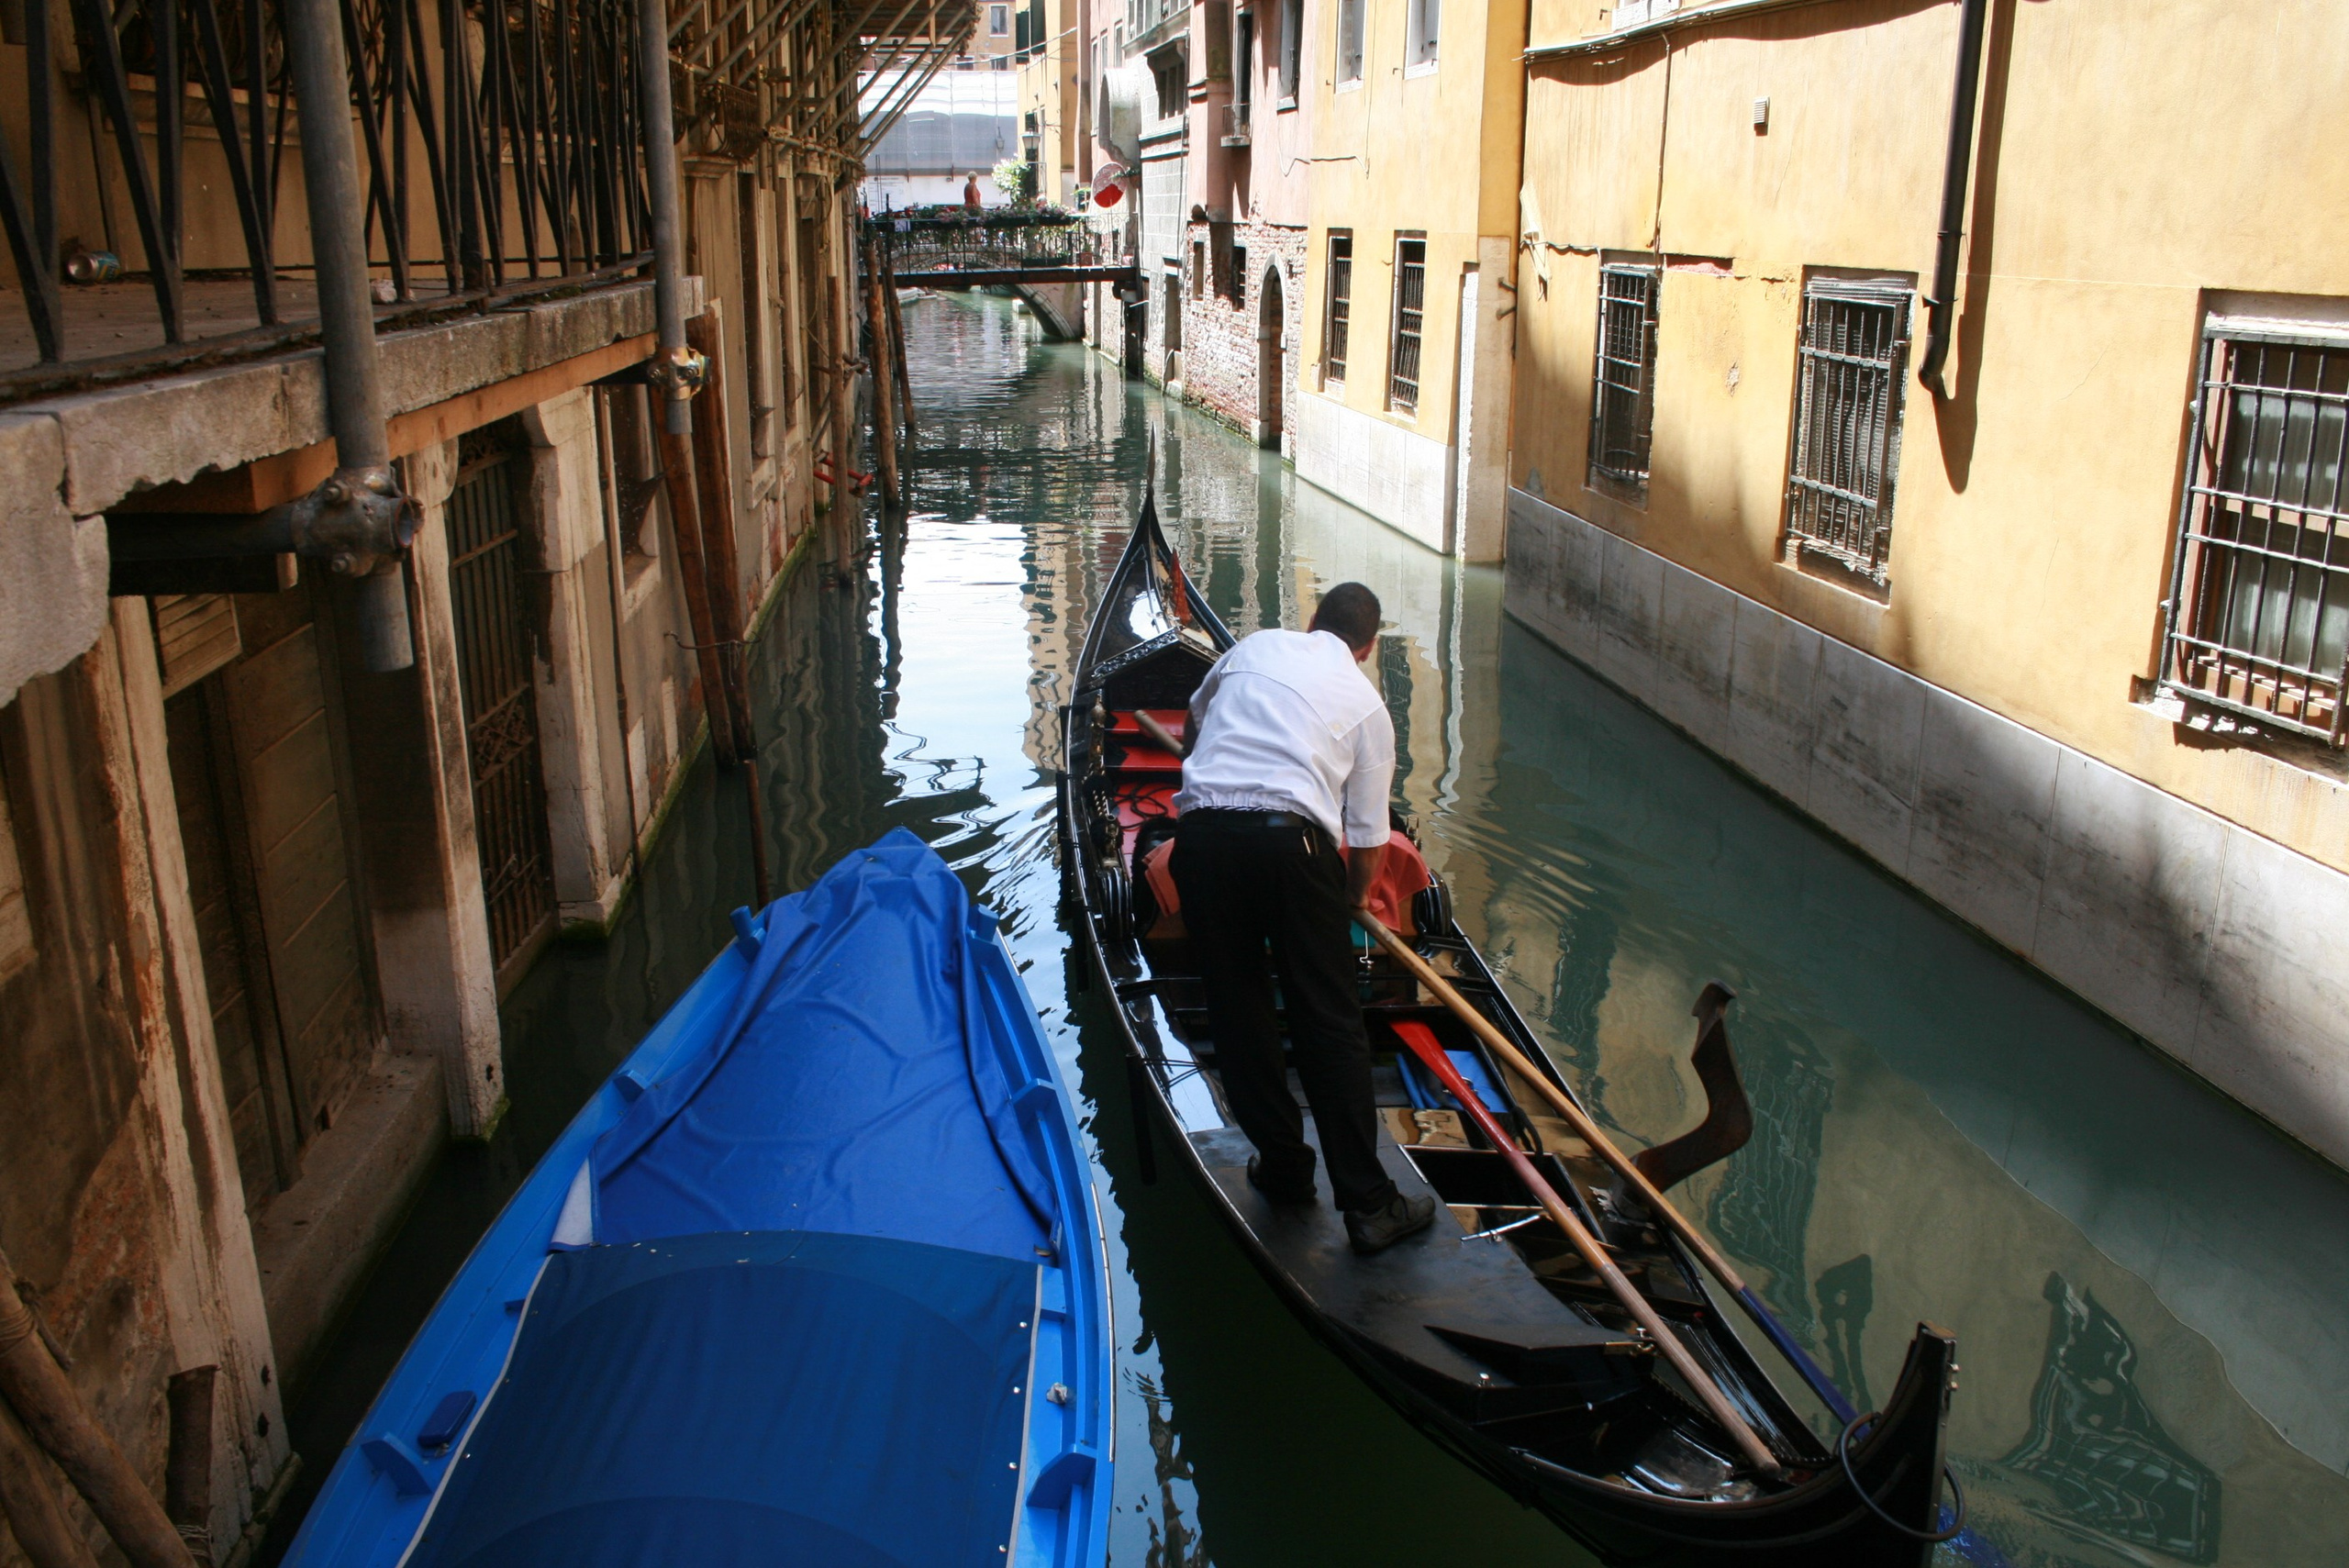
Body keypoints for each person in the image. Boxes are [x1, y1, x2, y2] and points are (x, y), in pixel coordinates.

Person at [1170, 583, 1437, 1255]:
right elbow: (1369, 841)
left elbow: (1193, 732)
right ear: (1369, 648)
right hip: (1292, 845)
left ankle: (1286, 1168)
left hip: (1201, 835)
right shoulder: (1369, 707)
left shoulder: (1253, 647)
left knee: (1237, 1008)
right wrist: (1348, 900)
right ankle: (1370, 1204)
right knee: (1329, 1019)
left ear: (1310, 620)